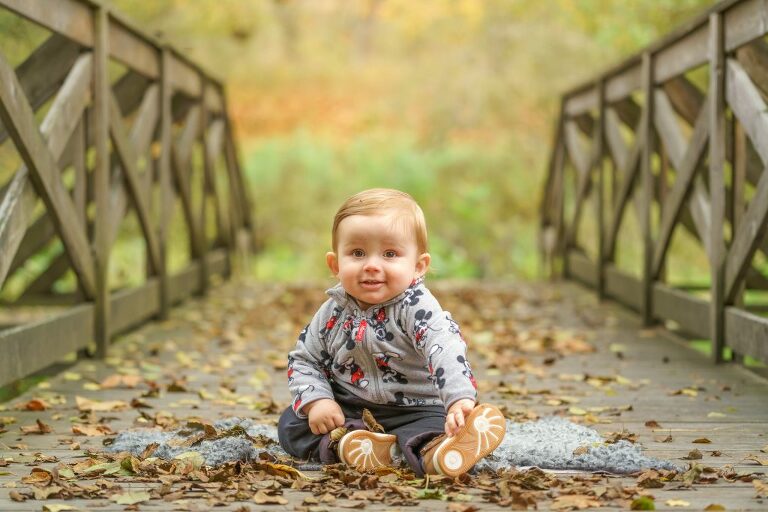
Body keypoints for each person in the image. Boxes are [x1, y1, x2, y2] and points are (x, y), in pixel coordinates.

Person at [278, 188, 505, 477]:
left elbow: (444, 349)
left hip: (417, 408)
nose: (372, 265)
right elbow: (304, 359)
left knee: (430, 428)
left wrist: (459, 400)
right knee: (292, 423)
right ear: (335, 264)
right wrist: (318, 400)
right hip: (350, 407)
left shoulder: (417, 309)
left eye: (390, 254)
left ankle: (438, 453)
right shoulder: (332, 313)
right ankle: (350, 444)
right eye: (357, 253)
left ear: (418, 266)